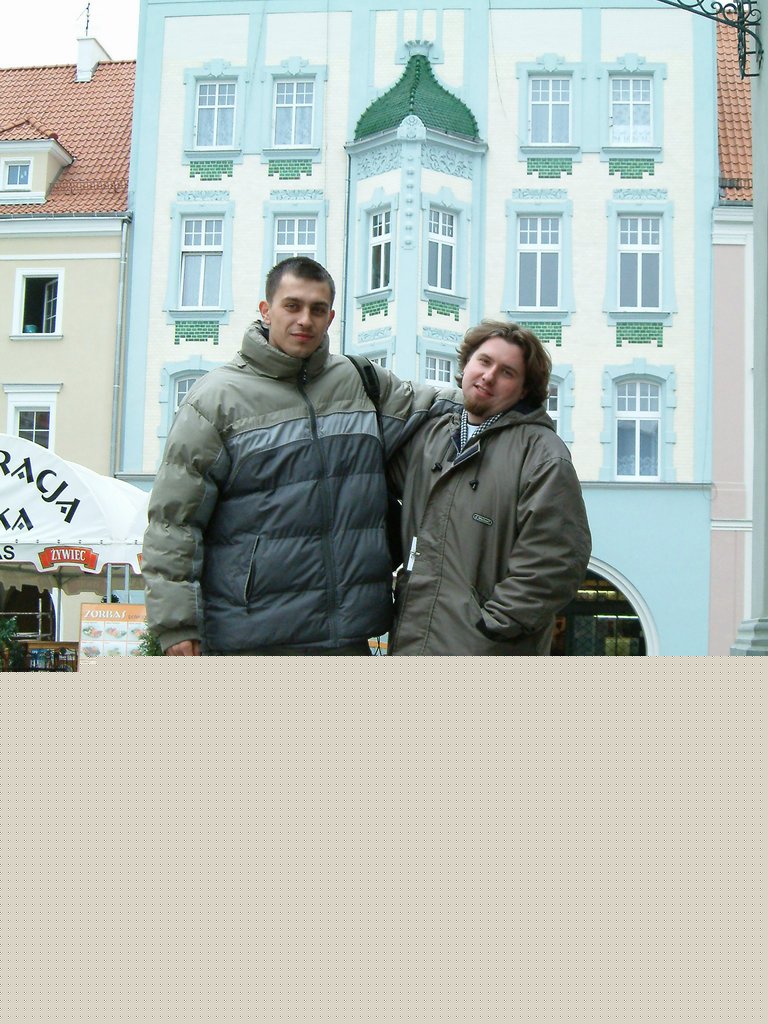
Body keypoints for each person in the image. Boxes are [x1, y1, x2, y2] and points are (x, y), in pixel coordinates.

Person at [142, 257, 454, 656]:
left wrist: (512, 394)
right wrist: (177, 624)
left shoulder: (360, 382)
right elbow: (174, 523)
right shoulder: (215, 400)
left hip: (348, 634)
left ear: (330, 317)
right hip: (252, 637)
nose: (305, 320)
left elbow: (439, 405)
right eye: (292, 306)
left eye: (317, 309)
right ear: (266, 310)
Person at [388, 320, 591, 656]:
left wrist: (493, 626)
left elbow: (556, 561)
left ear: (524, 390)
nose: (488, 376)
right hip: (413, 643)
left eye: (507, 372)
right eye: (483, 361)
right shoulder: (431, 436)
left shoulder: (542, 455)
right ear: (466, 364)